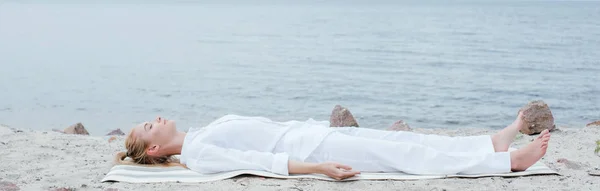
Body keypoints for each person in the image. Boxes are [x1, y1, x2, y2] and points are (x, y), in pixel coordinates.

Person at [115, 112, 550, 180]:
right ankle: (507, 164)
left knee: (406, 140)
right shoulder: (198, 154)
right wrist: (317, 170)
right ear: (153, 150)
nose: (154, 120)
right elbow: (260, 162)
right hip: (315, 151)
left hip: (315, 133)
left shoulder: (203, 131)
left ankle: (490, 143)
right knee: (407, 157)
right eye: (146, 128)